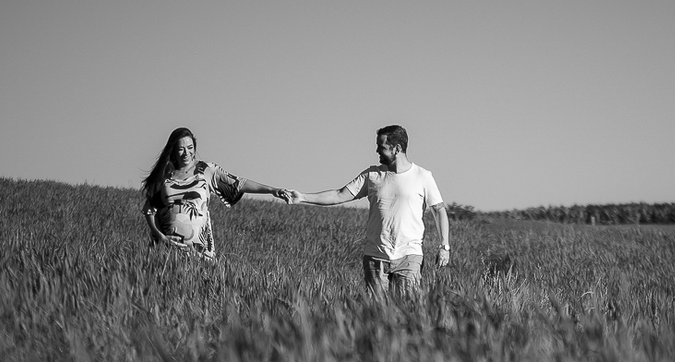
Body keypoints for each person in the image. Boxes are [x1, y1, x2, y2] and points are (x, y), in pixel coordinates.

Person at [285, 125, 449, 295]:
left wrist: (444, 247)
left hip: (410, 257)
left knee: (407, 311)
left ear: (397, 148)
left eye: (382, 147)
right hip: (375, 257)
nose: (377, 150)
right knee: (375, 315)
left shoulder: (423, 177)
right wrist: (302, 197)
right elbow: (339, 195)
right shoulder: (371, 175)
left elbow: (439, 210)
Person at [141, 127, 287, 260]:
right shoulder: (166, 175)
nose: (186, 153)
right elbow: (150, 210)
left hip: (200, 251)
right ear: (173, 150)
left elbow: (238, 183)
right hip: (167, 250)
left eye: (190, 147)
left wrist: (271, 190)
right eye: (181, 149)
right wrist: (160, 237)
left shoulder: (206, 170)